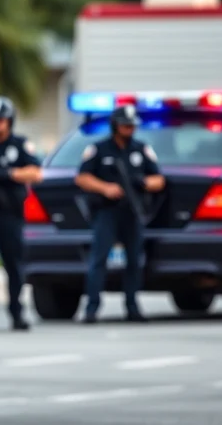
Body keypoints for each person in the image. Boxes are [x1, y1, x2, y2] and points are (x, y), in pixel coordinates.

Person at [74, 104, 165, 324]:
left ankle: (132, 306)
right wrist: (105, 188)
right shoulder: (99, 149)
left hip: (132, 212)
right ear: (115, 126)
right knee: (99, 259)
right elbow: (82, 178)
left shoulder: (141, 150)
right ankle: (92, 308)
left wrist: (142, 182)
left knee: (134, 261)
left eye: (132, 125)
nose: (129, 129)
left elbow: (159, 180)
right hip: (107, 212)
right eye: (125, 125)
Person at [0, 96, 42, 330]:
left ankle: (17, 311)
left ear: (9, 121)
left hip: (12, 213)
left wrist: (9, 174)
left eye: (1, 120)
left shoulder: (20, 145)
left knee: (14, 264)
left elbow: (35, 173)